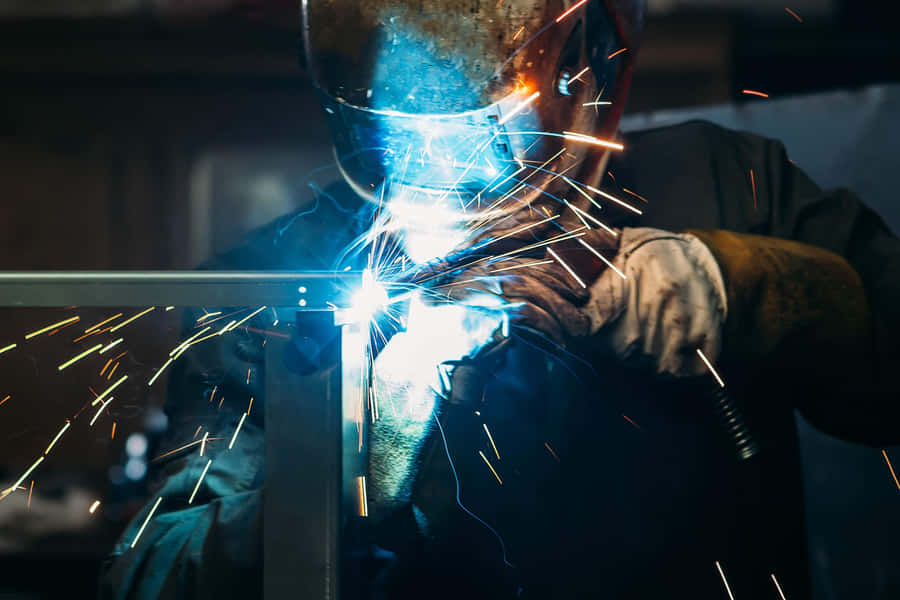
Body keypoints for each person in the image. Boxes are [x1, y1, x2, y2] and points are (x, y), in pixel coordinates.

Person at [99, 1, 900, 598]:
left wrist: (737, 287)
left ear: (588, 68)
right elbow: (151, 578)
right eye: (398, 140)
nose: (438, 176)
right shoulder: (277, 285)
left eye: (479, 143)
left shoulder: (727, 184)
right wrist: (341, 470)